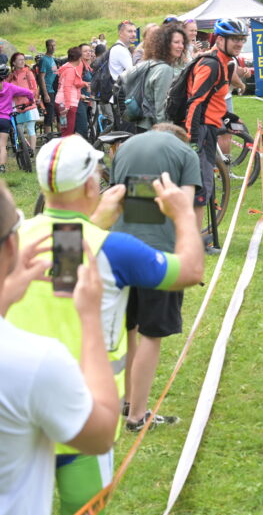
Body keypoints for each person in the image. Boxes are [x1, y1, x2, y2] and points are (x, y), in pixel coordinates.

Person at [6, 135, 203, 515]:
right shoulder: (114, 249)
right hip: (85, 417)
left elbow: (66, 260)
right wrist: (181, 215)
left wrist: (93, 220)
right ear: (90, 184)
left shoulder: (19, 240)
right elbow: (191, 270)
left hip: (21, 413)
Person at [0, 182, 120, 514]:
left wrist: (6, 296)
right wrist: (91, 316)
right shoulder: (34, 362)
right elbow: (101, 435)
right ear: (13, 245)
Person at [112, 124, 201, 433]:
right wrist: (190, 255)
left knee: (130, 327)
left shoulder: (126, 147)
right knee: (152, 333)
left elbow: (125, 201)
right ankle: (137, 416)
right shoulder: (184, 152)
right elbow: (186, 208)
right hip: (160, 257)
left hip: (119, 249)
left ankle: (127, 401)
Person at [185, 18, 246, 243]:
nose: (239, 43)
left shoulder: (225, 62)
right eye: (235, 39)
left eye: (242, 39)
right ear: (220, 39)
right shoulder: (210, 64)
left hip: (210, 126)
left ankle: (196, 238)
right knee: (200, 189)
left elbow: (213, 100)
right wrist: (192, 140)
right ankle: (192, 244)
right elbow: (195, 102)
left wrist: (228, 117)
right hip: (199, 130)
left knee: (205, 186)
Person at [131, 23, 187, 130]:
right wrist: (165, 134)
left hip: (144, 124)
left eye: (182, 42)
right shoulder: (164, 69)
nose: (181, 46)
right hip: (153, 128)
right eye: (176, 42)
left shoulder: (153, 62)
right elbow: (161, 109)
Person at [0, 65, 36, 173]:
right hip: (4, 119)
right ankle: (1, 167)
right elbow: (29, 92)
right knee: (2, 145)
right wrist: (30, 101)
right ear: (6, 76)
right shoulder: (10, 87)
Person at [9, 53, 41, 153]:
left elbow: (34, 88)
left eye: (23, 59)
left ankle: (32, 151)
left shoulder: (28, 73)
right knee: (19, 131)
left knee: (31, 128)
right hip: (16, 106)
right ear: (14, 62)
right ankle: (23, 151)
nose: (23, 61)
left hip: (29, 104)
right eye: (19, 60)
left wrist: (27, 96)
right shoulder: (10, 76)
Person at [55, 47, 88, 138]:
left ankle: (62, 151)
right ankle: (64, 152)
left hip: (61, 102)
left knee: (65, 130)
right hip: (67, 104)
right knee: (68, 132)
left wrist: (84, 84)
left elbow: (73, 84)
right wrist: (67, 105)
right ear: (79, 57)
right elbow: (67, 88)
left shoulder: (66, 67)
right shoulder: (71, 70)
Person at [38, 39, 58, 132]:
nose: (53, 47)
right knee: (49, 116)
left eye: (54, 45)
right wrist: (45, 94)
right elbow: (41, 77)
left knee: (53, 115)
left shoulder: (52, 59)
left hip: (53, 89)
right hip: (48, 90)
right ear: (47, 46)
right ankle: (48, 138)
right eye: (51, 46)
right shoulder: (44, 59)